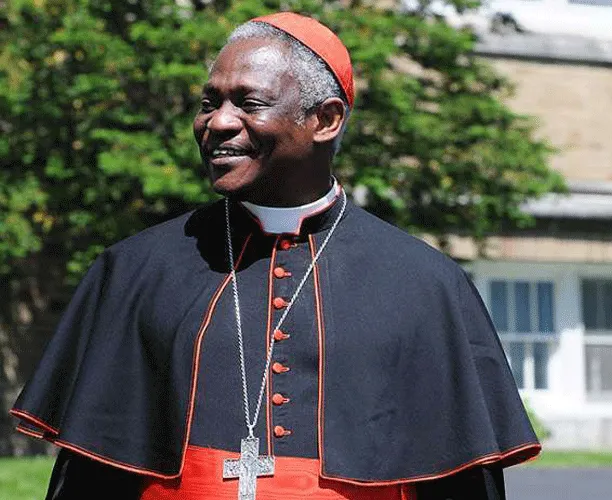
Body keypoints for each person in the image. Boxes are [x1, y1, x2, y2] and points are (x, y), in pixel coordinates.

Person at [11, 12, 540, 500]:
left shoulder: (426, 285)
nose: (218, 122)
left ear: (326, 120)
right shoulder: (133, 271)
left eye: (248, 103)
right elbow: (88, 477)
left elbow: (463, 485)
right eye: (208, 103)